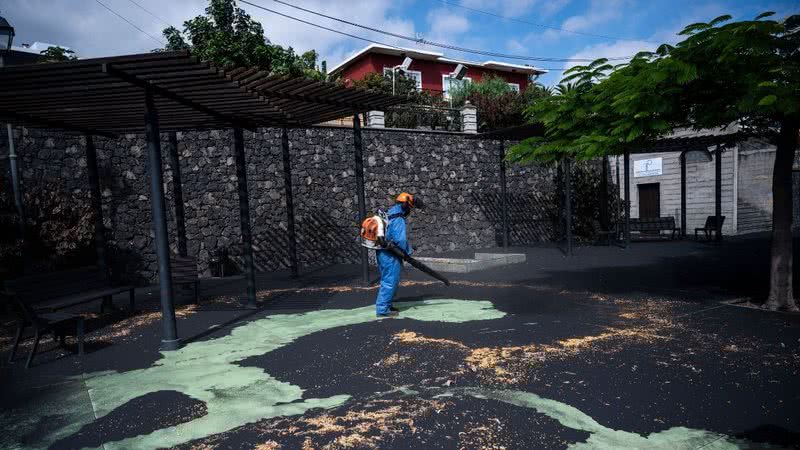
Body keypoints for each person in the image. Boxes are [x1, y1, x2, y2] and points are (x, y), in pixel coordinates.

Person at [375, 192, 423, 318]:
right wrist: (407, 253)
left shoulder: (390, 213)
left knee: (390, 279)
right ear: (406, 205)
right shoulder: (398, 218)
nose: (410, 211)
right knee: (390, 280)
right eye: (410, 208)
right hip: (390, 254)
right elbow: (400, 240)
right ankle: (382, 309)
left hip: (383, 252)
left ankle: (387, 305)